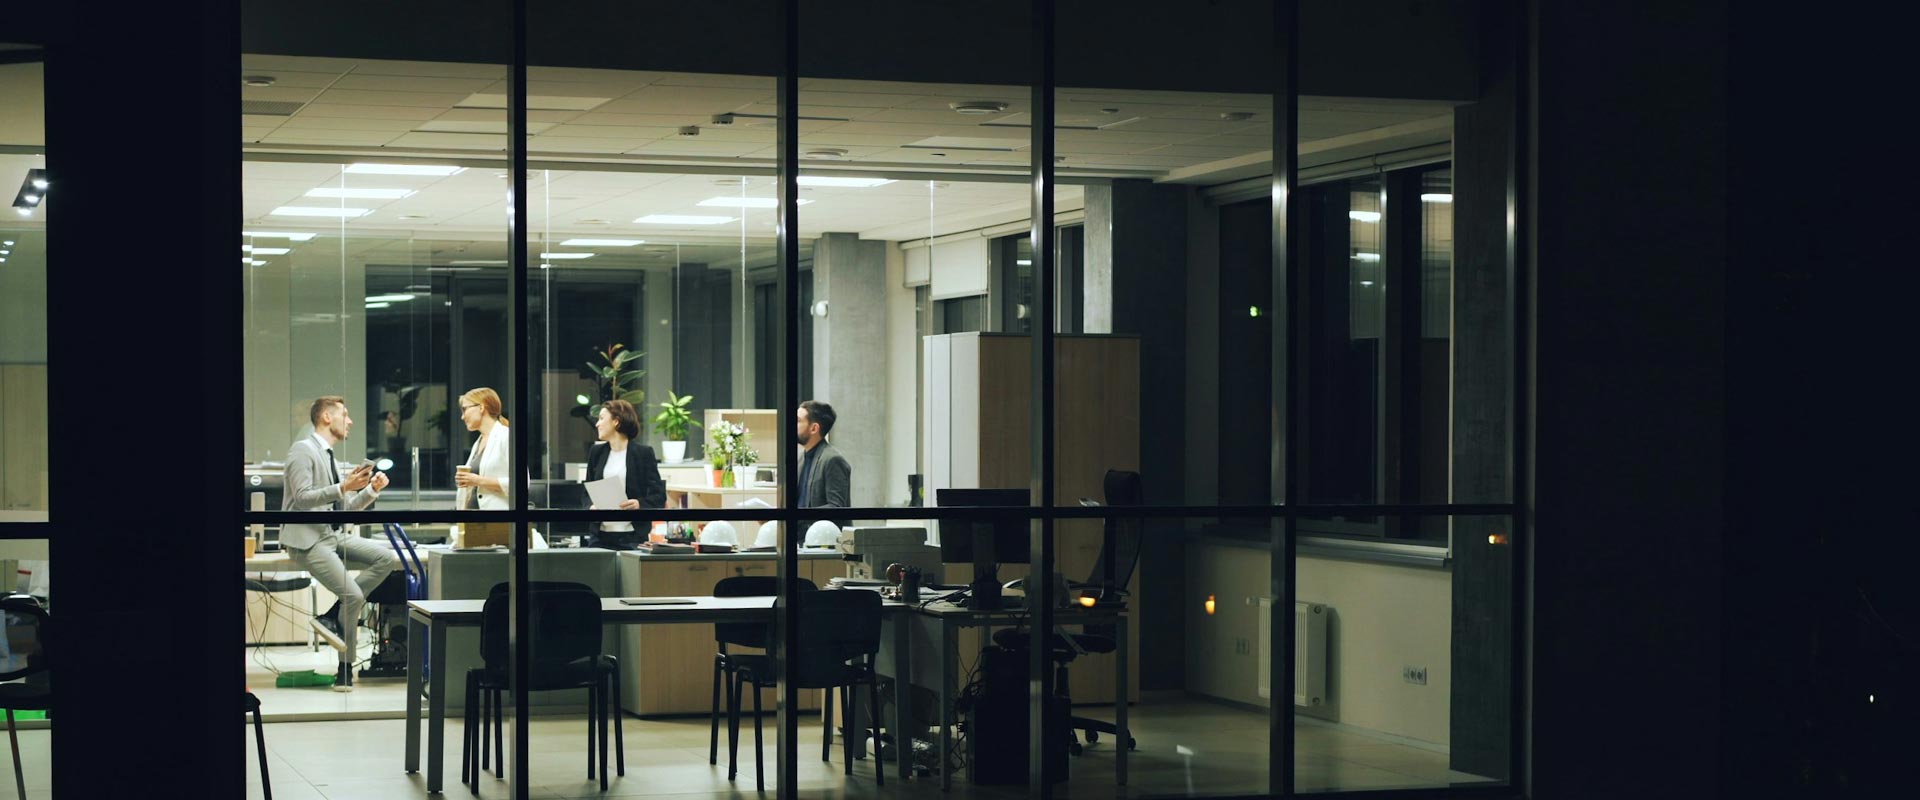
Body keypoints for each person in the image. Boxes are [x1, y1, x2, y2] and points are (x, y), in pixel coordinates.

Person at [281, 395, 398, 692]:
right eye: (345, 415)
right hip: (309, 540)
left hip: (331, 536)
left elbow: (344, 507)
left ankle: (333, 614)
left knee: (386, 559)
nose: (350, 421)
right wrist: (343, 486)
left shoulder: (328, 455)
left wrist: (371, 490)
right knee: (354, 596)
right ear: (326, 417)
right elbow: (302, 499)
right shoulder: (302, 450)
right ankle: (345, 667)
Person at [584, 399, 666, 549]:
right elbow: (586, 492)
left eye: (601, 418)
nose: (597, 424)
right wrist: (591, 506)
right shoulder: (596, 452)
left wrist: (639, 504)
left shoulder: (643, 453)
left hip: (632, 537)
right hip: (600, 536)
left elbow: (659, 496)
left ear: (616, 421)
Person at [454, 388, 512, 510]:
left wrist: (478, 480)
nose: (462, 417)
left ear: (481, 407)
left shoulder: (506, 436)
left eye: (465, 409)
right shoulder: (479, 442)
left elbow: (521, 483)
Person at [795, 400, 851, 528]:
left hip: (823, 536)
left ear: (814, 428)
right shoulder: (800, 458)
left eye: (798, 421)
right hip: (799, 534)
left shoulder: (833, 460)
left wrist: (800, 515)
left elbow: (836, 506)